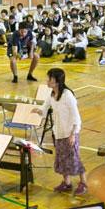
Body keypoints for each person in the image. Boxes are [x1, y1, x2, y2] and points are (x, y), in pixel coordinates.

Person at [44, 68, 87, 196]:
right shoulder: (52, 94)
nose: (47, 80)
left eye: (49, 79)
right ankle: (67, 183)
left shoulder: (68, 96)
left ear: (57, 81)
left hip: (69, 133)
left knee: (74, 158)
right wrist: (38, 111)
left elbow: (76, 117)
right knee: (62, 158)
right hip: (58, 132)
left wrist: (73, 134)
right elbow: (45, 107)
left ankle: (83, 183)